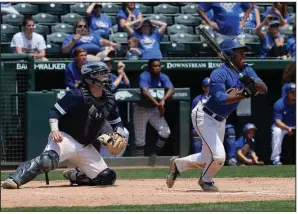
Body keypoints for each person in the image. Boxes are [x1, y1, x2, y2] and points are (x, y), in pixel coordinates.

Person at [2, 61, 127, 189]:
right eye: (100, 74)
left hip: (86, 146)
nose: (105, 77)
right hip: (66, 139)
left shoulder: (110, 99)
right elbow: (54, 111)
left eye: (105, 73)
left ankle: (75, 176)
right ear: (89, 77)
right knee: (47, 160)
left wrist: (119, 134)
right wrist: (55, 130)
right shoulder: (77, 95)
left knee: (106, 177)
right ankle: (15, 179)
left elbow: (117, 123)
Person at [166, 38, 267, 192]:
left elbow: (263, 89)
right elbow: (220, 99)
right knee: (219, 157)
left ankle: (177, 165)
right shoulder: (218, 73)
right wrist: (244, 93)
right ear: (229, 55)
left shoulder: (247, 70)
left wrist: (251, 81)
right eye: (239, 52)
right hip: (205, 116)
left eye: (243, 51)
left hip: (221, 120)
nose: (243, 54)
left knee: (207, 158)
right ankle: (206, 181)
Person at [134, 58, 175, 157]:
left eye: (159, 66)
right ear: (149, 68)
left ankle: (154, 153)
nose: (157, 68)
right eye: (155, 66)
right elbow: (145, 91)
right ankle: (139, 162)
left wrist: (163, 101)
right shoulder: (144, 75)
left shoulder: (163, 76)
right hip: (141, 108)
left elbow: (171, 89)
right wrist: (158, 104)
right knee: (140, 140)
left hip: (153, 109)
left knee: (165, 132)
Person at [271, 83, 296, 165]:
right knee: (277, 131)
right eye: (292, 92)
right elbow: (277, 121)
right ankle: (276, 159)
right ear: (287, 93)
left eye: (296, 91)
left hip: (295, 125)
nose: (295, 94)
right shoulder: (279, 104)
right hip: (282, 126)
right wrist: (287, 128)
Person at [191, 77, 210, 154]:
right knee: (195, 131)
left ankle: (230, 159)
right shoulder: (197, 100)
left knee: (229, 129)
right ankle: (198, 159)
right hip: (201, 124)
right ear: (204, 88)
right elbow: (194, 116)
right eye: (209, 86)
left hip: (215, 125)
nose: (211, 88)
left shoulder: (218, 97)